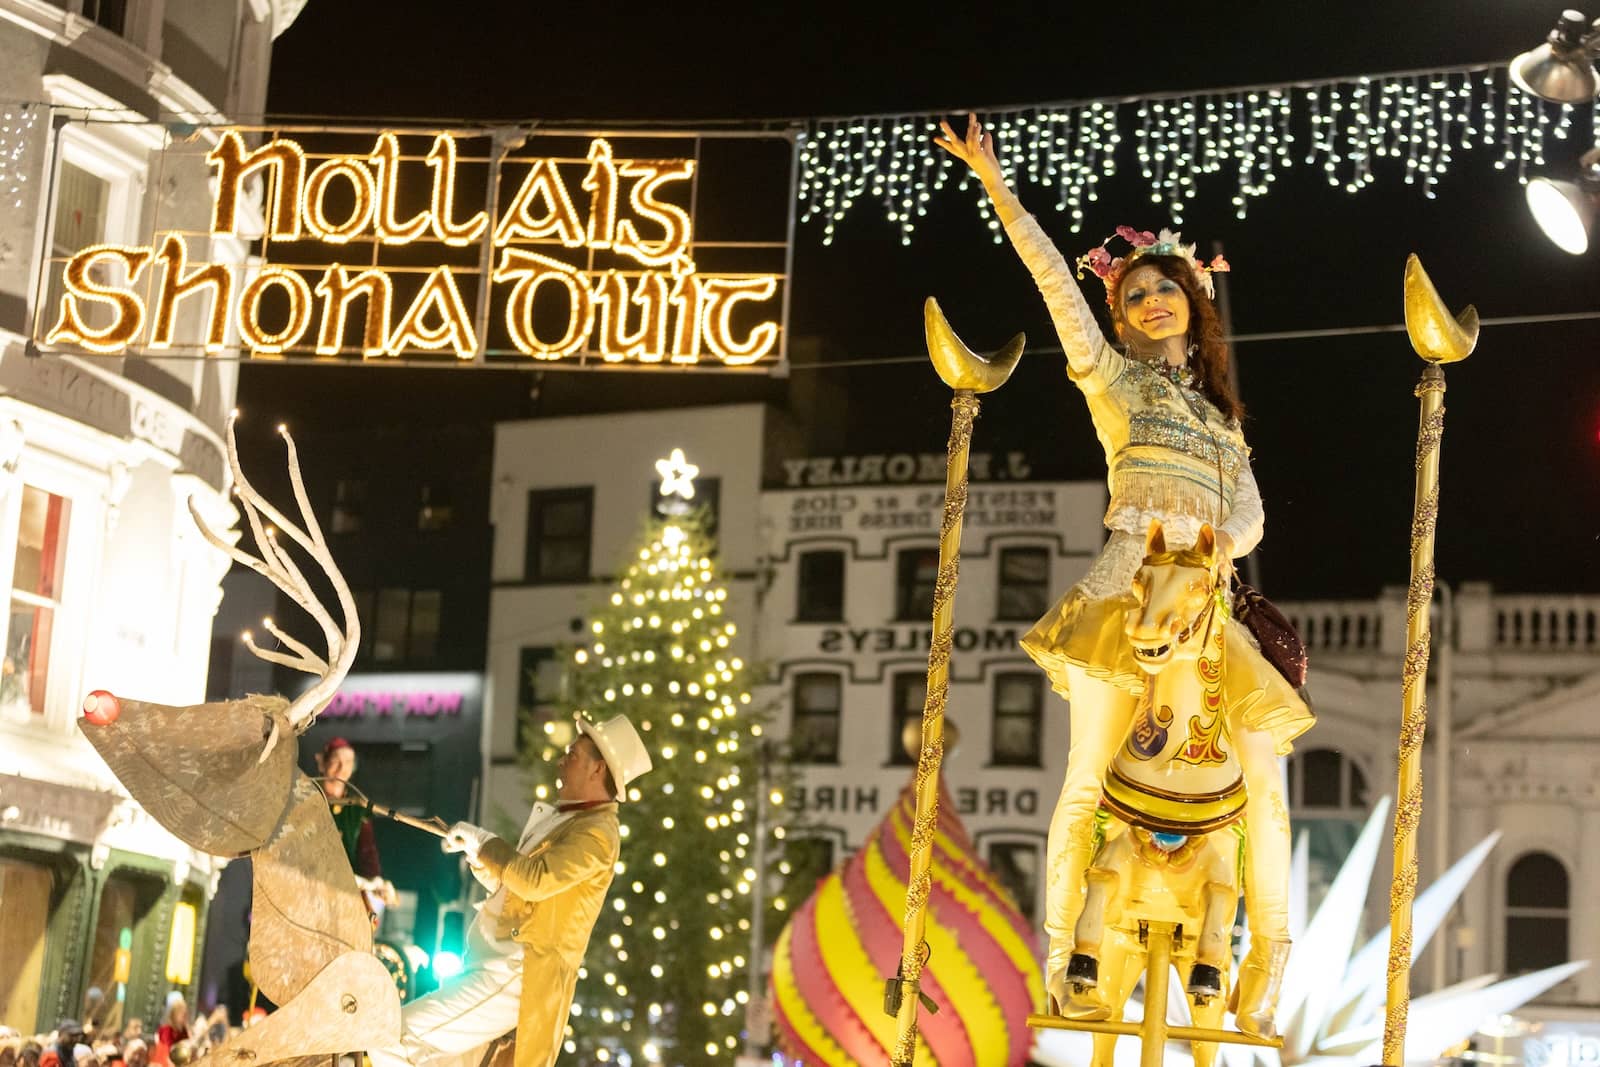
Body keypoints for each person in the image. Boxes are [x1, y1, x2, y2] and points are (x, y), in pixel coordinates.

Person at [936, 113, 1313, 1035]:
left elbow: (1254, 512)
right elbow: (1058, 286)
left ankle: (1266, 958)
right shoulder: (1113, 381)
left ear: (1192, 301)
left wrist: (1221, 544)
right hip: (1124, 601)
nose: (1151, 302)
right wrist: (995, 181)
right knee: (1085, 780)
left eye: (1165, 289)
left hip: (1210, 615)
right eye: (1136, 294)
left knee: (1264, 783)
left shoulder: (1223, 423)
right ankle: (1070, 960)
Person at [367, 713, 652, 1067]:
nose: (561, 760)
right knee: (413, 1050)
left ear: (598, 770)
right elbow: (518, 890)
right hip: (494, 966)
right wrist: (479, 855)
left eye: (573, 753)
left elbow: (534, 880)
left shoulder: (597, 833)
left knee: (391, 1036)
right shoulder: (572, 820)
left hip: (514, 974)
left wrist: (485, 841)